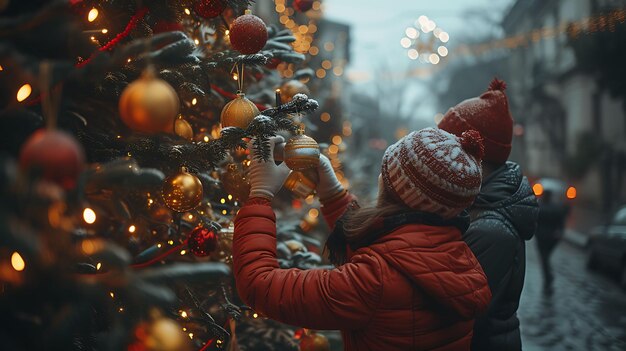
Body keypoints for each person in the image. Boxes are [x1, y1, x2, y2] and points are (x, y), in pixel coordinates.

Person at [232, 128, 492, 350]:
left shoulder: (374, 282)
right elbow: (393, 246)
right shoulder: (460, 256)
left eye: (385, 173)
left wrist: (260, 195)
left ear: (394, 191)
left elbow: (259, 284)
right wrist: (333, 195)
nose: (380, 177)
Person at [438, 78, 539, 351]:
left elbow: (449, 319)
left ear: (473, 154)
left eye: (447, 148)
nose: (442, 157)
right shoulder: (476, 208)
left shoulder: (490, 230)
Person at [535, 189, 569, 295]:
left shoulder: (539, 207)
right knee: (546, 258)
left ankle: (548, 278)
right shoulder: (556, 208)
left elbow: (534, 221)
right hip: (552, 238)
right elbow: (561, 222)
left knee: (544, 259)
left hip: (541, 237)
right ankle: (548, 278)